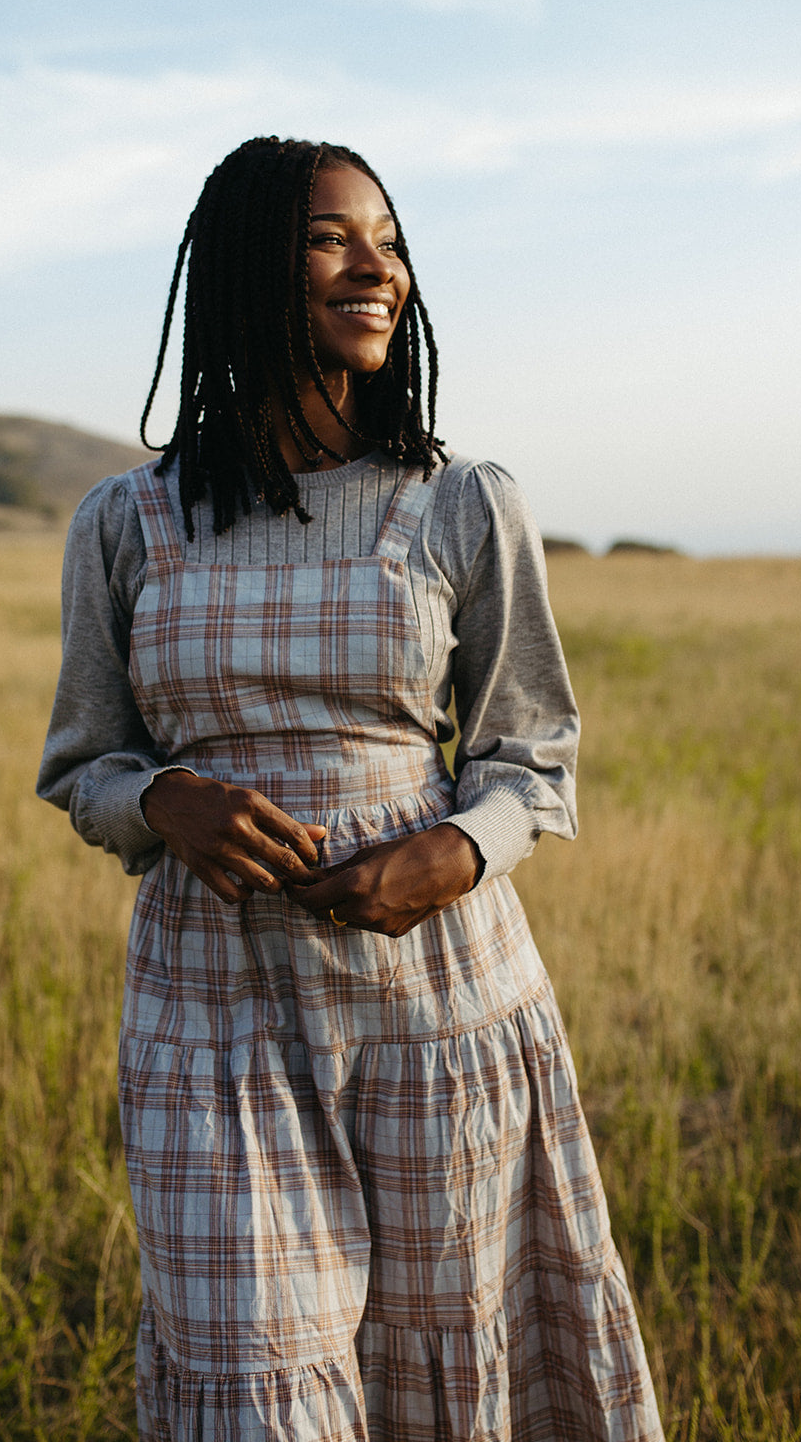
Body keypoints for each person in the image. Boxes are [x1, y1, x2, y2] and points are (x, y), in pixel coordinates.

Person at [38, 136, 664, 1441]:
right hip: (214, 1016)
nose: (377, 267)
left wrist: (461, 851)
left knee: (446, 1374)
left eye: (389, 240)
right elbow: (83, 766)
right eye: (332, 237)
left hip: (441, 1012)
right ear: (241, 271)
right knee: (258, 1377)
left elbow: (528, 756)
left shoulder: (458, 504)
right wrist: (163, 807)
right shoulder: (127, 522)